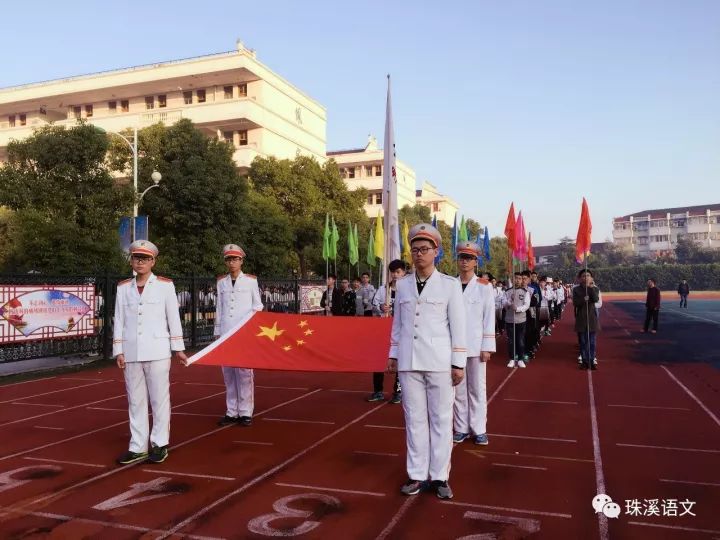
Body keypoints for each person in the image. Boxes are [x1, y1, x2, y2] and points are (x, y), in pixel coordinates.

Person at [388, 223, 466, 500]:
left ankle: (440, 476)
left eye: (424, 249)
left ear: (436, 252)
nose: (419, 254)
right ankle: (417, 473)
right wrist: (394, 354)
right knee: (414, 419)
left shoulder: (450, 285)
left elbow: (458, 325)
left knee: (441, 420)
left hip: (439, 362)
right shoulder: (403, 284)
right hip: (409, 361)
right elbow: (398, 323)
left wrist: (458, 362)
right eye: (415, 249)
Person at [113, 240, 187, 465]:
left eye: (145, 258)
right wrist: (119, 350)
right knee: (135, 400)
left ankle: (159, 443)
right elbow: (119, 320)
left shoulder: (165, 286)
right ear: (131, 261)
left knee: (159, 399)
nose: (140, 262)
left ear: (153, 261)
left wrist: (179, 349)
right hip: (132, 349)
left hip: (157, 350)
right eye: (136, 258)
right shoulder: (123, 287)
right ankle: (137, 446)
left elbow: (173, 317)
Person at [215, 244, 263, 427]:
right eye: (229, 259)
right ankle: (231, 411)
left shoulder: (250, 281)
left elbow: (258, 306)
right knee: (228, 373)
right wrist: (218, 333)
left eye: (235, 259)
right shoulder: (221, 282)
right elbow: (219, 307)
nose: (232, 262)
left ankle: (245, 412)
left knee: (244, 373)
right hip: (226, 332)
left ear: (241, 260)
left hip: (244, 333)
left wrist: (249, 327)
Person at [453, 242, 495, 446]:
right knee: (458, 389)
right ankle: (461, 428)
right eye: (462, 257)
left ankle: (479, 429)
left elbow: (489, 318)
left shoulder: (484, 287)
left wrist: (487, 346)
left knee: (477, 389)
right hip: (454, 346)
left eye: (469, 258)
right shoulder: (450, 284)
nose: (464, 261)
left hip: (476, 345)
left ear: (475, 262)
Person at [367, 259, 407, 404]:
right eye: (393, 272)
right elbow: (374, 304)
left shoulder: (408, 290)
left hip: (402, 331)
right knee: (378, 360)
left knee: (400, 362)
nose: (395, 275)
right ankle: (378, 391)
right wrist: (380, 308)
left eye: (398, 272)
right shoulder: (384, 289)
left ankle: (398, 391)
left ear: (404, 273)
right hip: (384, 330)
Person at [573, 269, 600, 370]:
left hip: (592, 318)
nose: (586, 277)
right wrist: (584, 299)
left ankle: (591, 360)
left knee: (592, 341)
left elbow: (595, 299)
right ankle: (584, 361)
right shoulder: (576, 289)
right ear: (580, 278)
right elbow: (576, 303)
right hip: (581, 318)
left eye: (588, 275)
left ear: (592, 278)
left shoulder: (595, 288)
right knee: (583, 341)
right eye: (584, 276)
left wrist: (590, 288)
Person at [502, 272, 531, 368]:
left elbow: (526, 305)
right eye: (516, 278)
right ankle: (511, 358)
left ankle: (520, 359)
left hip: (521, 320)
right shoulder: (507, 291)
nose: (517, 280)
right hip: (510, 320)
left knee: (520, 340)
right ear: (513, 279)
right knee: (511, 341)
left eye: (519, 278)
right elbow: (504, 304)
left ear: (522, 280)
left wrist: (517, 309)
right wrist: (510, 301)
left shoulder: (525, 292)